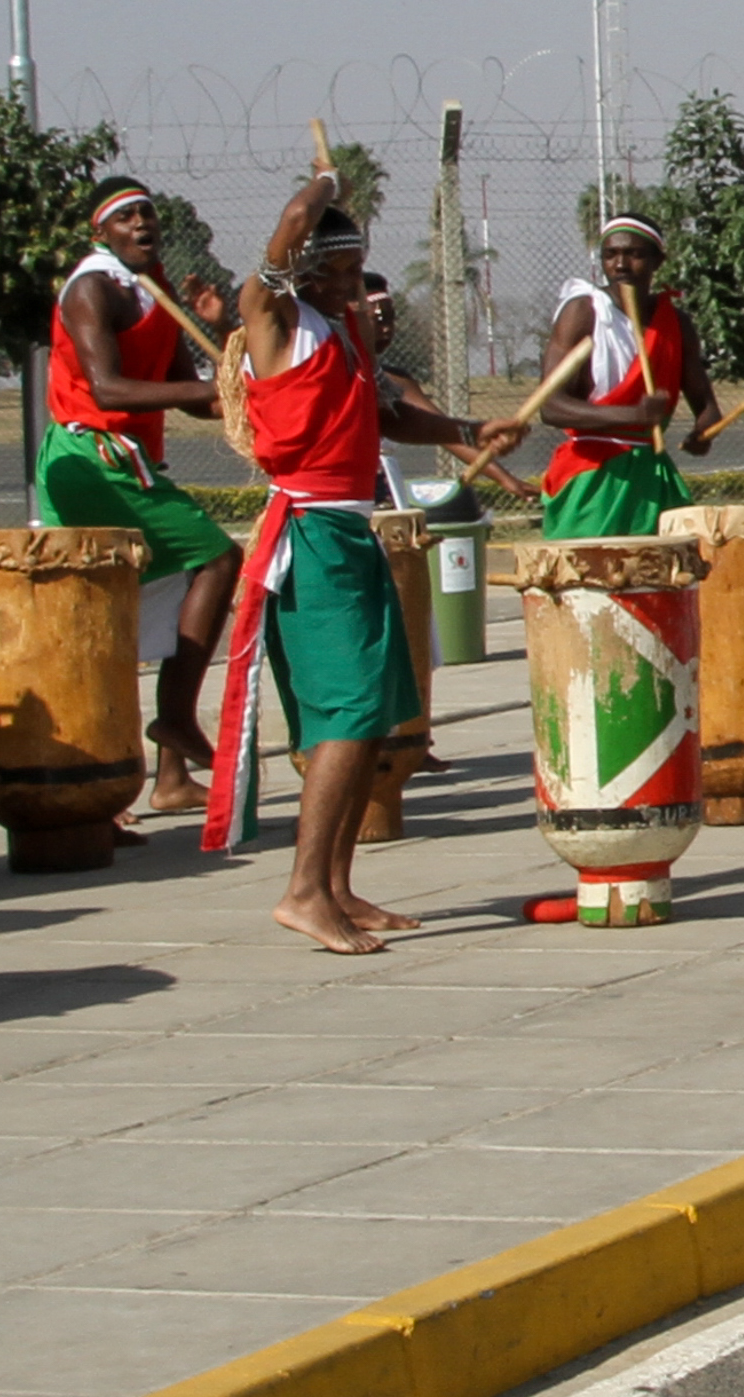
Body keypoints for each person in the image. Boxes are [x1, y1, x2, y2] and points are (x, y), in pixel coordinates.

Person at [203, 177, 511, 952]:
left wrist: (470, 427)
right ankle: (303, 889)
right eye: (333, 271)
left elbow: (391, 417)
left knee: (373, 710)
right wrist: (324, 183)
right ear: (300, 267)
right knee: (343, 712)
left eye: (355, 271)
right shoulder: (271, 317)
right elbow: (294, 220)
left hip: (351, 529)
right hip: (308, 533)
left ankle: (337, 884)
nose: (349, 285)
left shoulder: (339, 332)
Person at [38, 179, 247, 816]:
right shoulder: (91, 288)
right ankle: (173, 723)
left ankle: (170, 776)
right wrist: (203, 392)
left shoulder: (152, 287)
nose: (142, 224)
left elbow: (198, 394)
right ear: (100, 232)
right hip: (92, 460)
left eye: (148, 214)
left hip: (131, 461)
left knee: (158, 602)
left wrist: (226, 344)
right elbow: (107, 390)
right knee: (214, 560)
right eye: (126, 217)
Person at [524, 215, 701, 541]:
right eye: (610, 255)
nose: (620, 265)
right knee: (590, 586)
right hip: (592, 477)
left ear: (657, 260)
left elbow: (706, 406)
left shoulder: (674, 322)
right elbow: (550, 407)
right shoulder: (584, 312)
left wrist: (704, 430)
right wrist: (632, 416)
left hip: (653, 475)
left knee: (663, 584)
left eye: (633, 254)